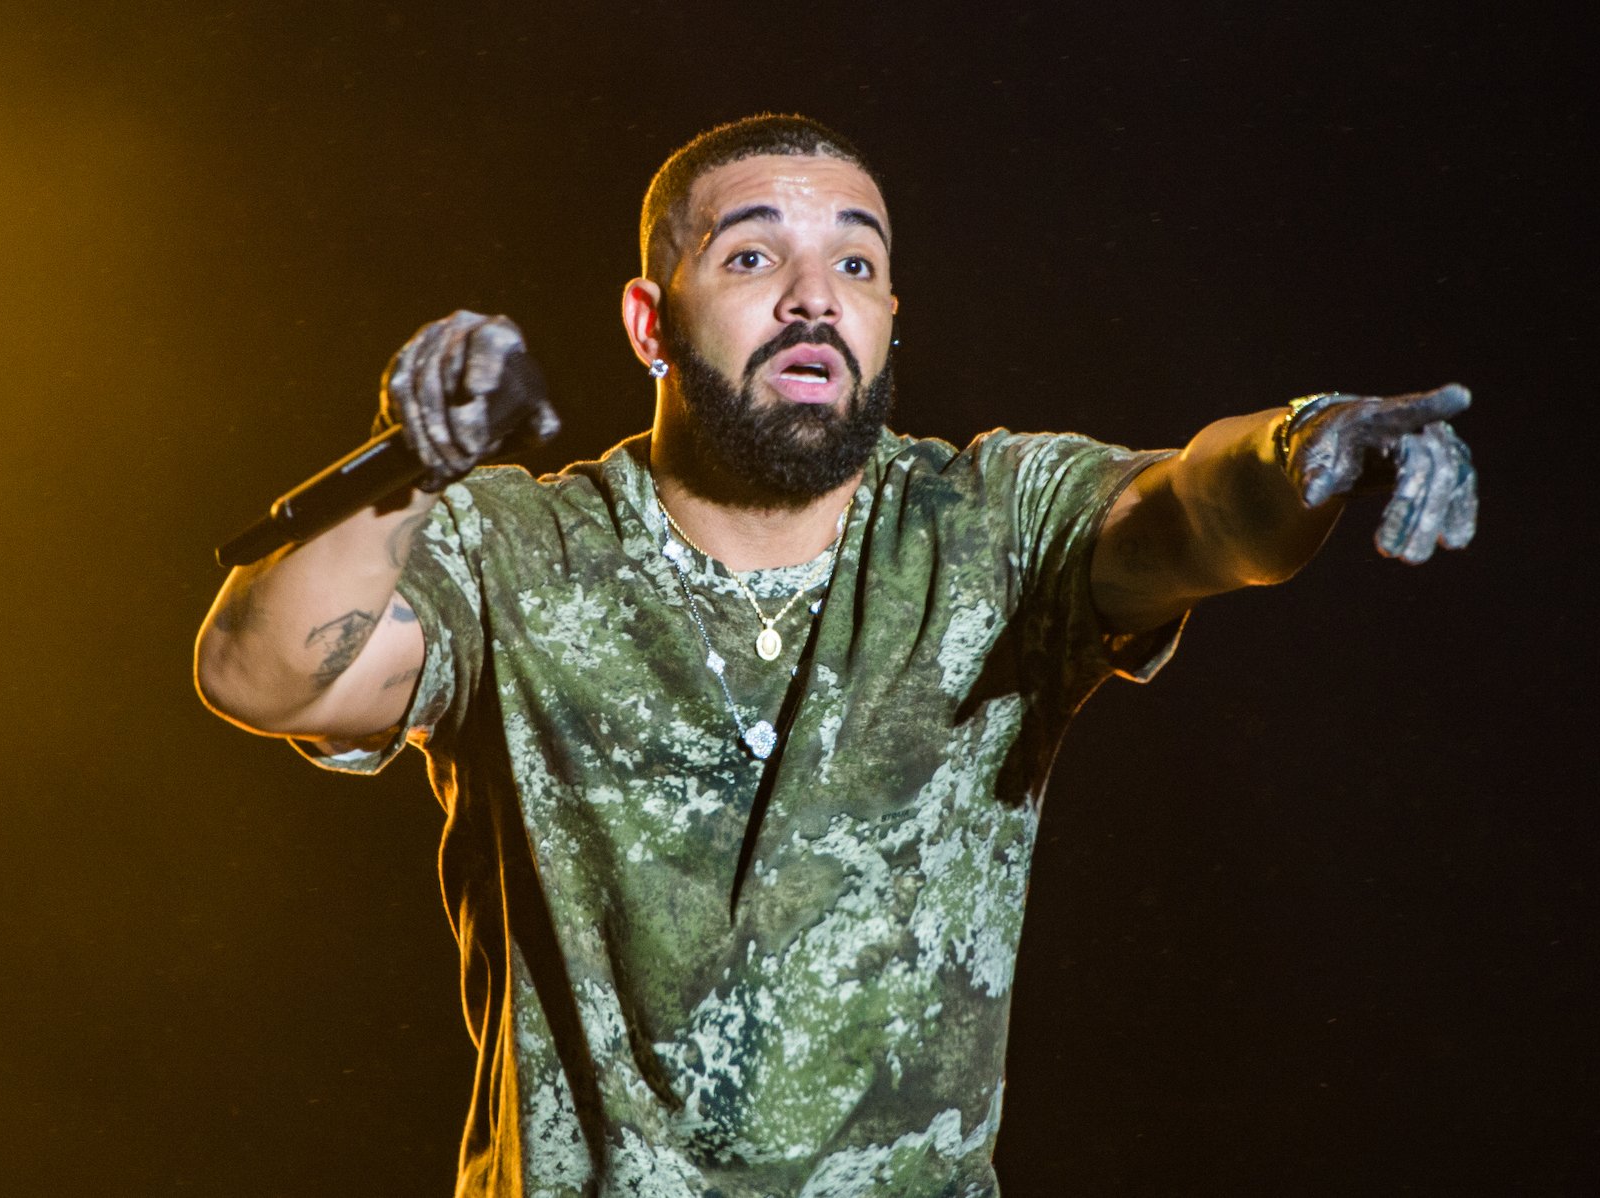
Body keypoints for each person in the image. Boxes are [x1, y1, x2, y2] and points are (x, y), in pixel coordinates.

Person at [194, 114, 1476, 1197]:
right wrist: (409, 462)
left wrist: (1310, 440)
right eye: (753, 255)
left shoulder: (991, 525)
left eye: (856, 266)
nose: (815, 295)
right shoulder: (519, 547)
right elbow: (261, 676)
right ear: (648, 321)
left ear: (891, 316)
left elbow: (1199, 512)